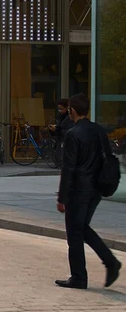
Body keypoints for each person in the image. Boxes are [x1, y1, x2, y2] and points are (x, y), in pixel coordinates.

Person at [56, 94, 121, 290]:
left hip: (79, 190)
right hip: (97, 188)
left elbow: (69, 168)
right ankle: (109, 262)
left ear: (72, 111)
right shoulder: (99, 131)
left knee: (74, 233)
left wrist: (62, 197)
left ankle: (79, 277)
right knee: (82, 228)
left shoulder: (73, 134)